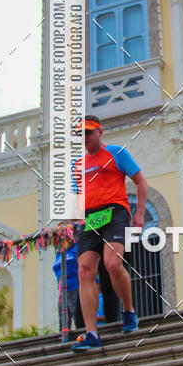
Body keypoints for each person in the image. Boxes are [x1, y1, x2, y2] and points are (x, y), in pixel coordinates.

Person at [71, 115, 147, 351]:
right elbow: (78, 197)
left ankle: (128, 311)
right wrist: (73, 220)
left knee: (112, 263)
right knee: (84, 270)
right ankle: (91, 333)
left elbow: (141, 182)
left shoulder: (116, 153)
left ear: (100, 132)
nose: (85, 137)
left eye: (88, 132)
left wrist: (140, 213)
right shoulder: (78, 165)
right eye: (81, 134)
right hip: (90, 218)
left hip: (115, 212)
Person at [52, 240, 83, 333]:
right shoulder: (59, 252)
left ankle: (82, 334)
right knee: (63, 321)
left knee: (77, 316)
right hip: (63, 290)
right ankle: (65, 338)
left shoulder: (76, 247)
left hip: (75, 287)